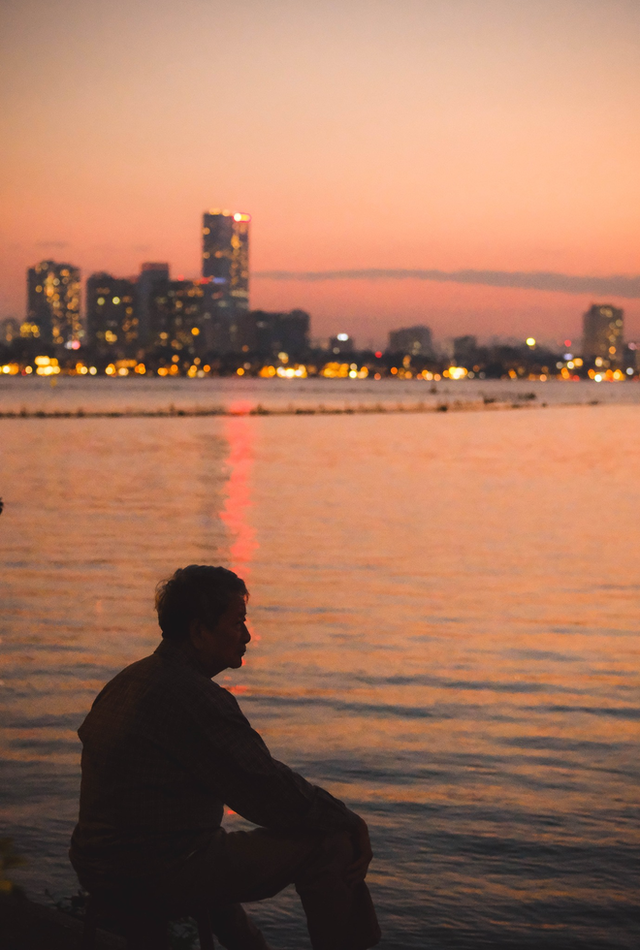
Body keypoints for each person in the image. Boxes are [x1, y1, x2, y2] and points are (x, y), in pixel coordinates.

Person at [70, 565, 381, 950]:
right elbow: (268, 792)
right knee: (331, 842)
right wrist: (347, 819)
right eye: (238, 623)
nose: (247, 636)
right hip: (154, 871)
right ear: (200, 632)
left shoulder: (129, 681)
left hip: (100, 865)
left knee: (215, 860)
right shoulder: (195, 699)